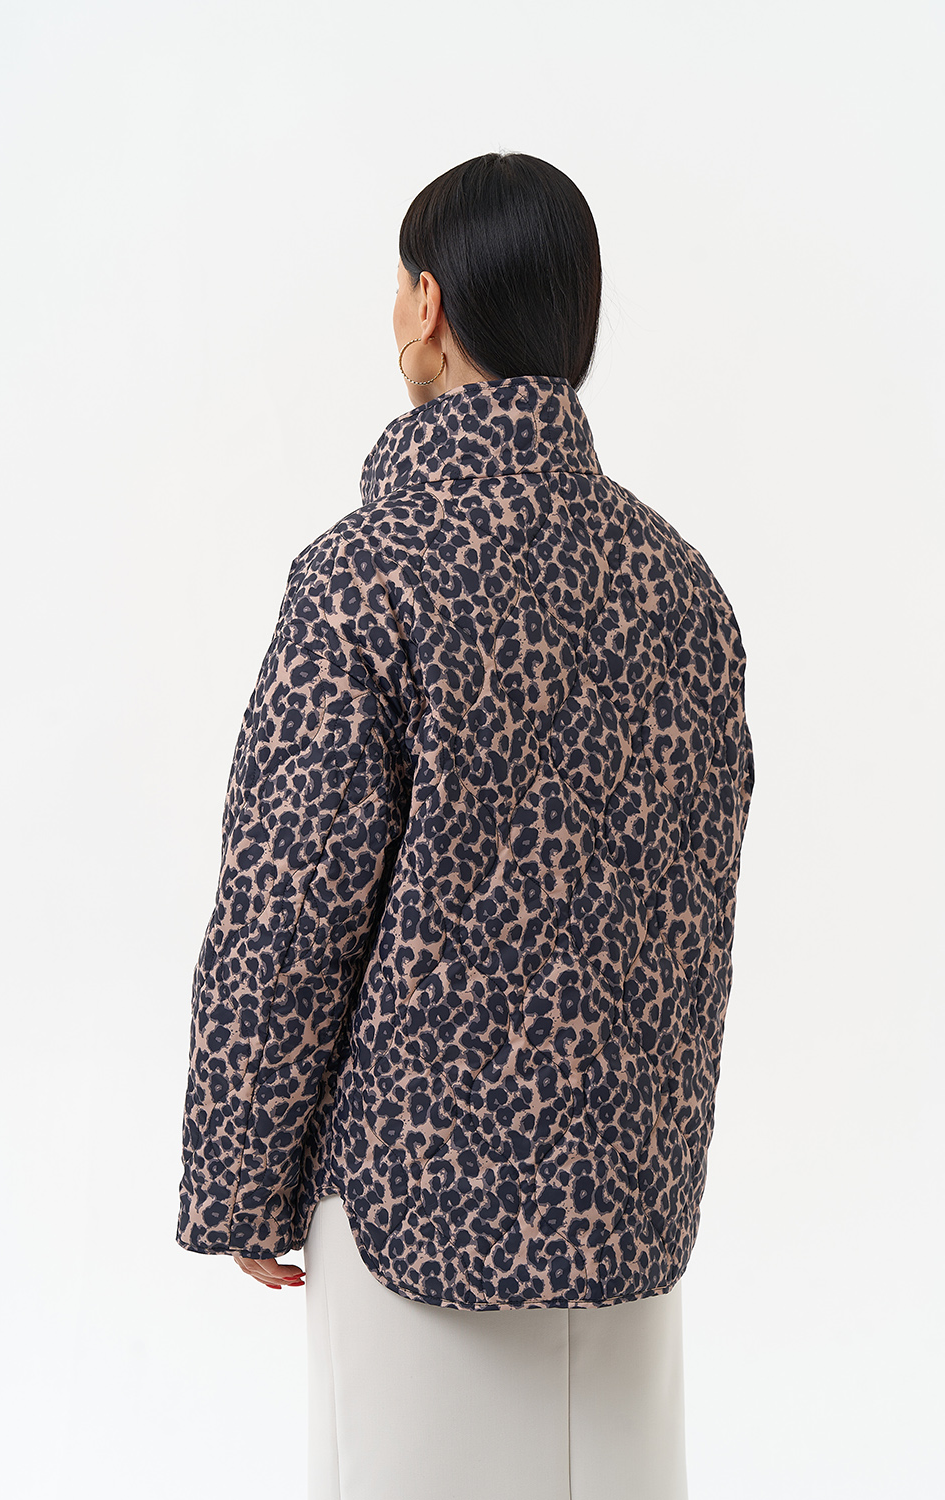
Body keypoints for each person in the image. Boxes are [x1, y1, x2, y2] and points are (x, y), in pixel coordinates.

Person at [176, 151, 754, 1500]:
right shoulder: (682, 589)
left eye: (400, 284)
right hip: (627, 1219)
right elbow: (696, 912)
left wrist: (243, 1176)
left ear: (427, 305)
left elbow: (288, 904)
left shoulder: (364, 576)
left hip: (413, 1218)